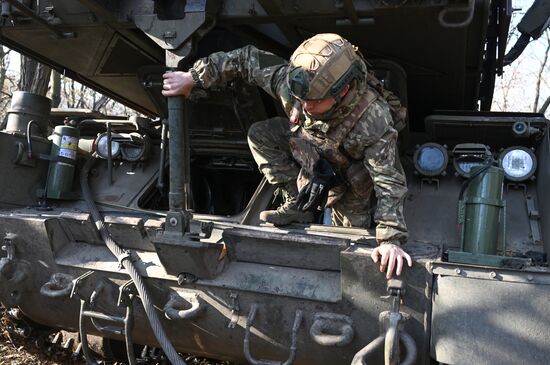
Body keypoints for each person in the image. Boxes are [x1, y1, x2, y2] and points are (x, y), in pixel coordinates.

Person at [162, 33, 412, 279]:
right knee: (261, 134)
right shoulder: (294, 86)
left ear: (343, 90)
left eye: (312, 102)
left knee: (346, 244)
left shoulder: (373, 119)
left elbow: (388, 179)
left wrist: (391, 238)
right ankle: (298, 203)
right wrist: (193, 78)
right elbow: (246, 59)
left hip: (348, 177)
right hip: (312, 149)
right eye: (299, 99)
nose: (303, 107)